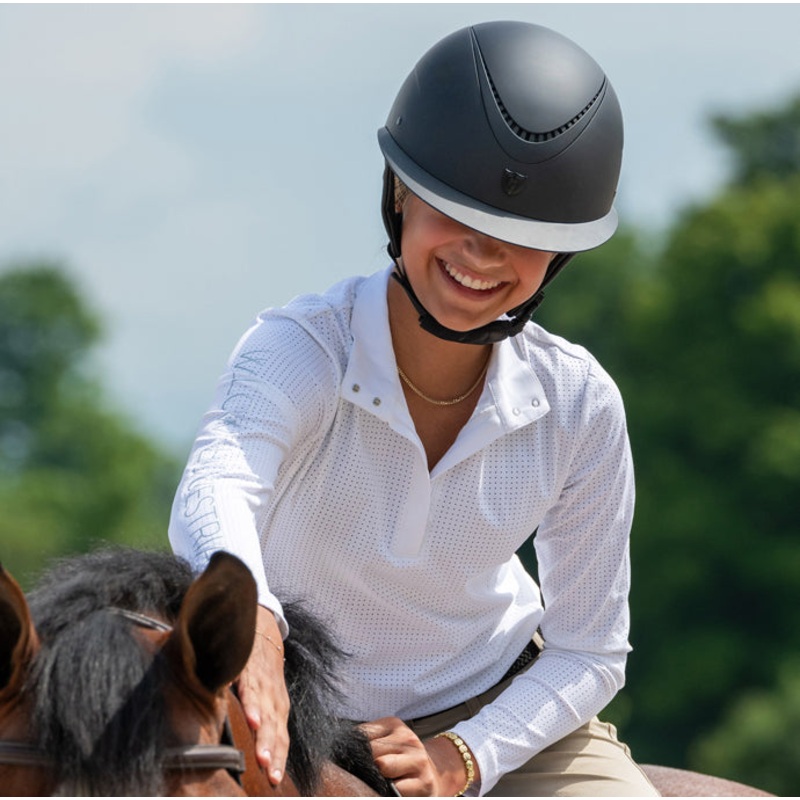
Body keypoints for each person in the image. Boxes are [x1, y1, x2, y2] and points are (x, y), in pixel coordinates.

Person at [169, 20, 659, 797]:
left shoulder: (581, 405)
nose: (482, 254)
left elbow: (589, 651)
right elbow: (217, 485)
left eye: (521, 233)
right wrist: (253, 620)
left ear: (561, 253)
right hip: (286, 700)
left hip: (493, 708)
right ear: (400, 194)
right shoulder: (299, 347)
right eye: (455, 213)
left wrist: (463, 755)